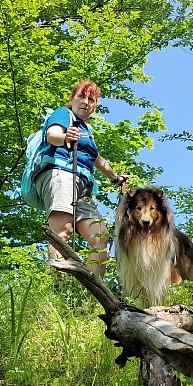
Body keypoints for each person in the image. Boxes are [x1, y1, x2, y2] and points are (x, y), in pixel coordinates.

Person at [33, 80, 128, 277]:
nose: (86, 102)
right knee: (62, 232)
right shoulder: (63, 114)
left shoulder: (87, 131)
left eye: (91, 99)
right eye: (81, 97)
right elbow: (52, 135)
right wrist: (66, 137)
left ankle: (94, 293)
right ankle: (59, 287)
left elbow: (97, 159)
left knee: (100, 235)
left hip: (83, 185)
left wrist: (116, 178)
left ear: (95, 105)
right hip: (60, 173)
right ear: (72, 99)